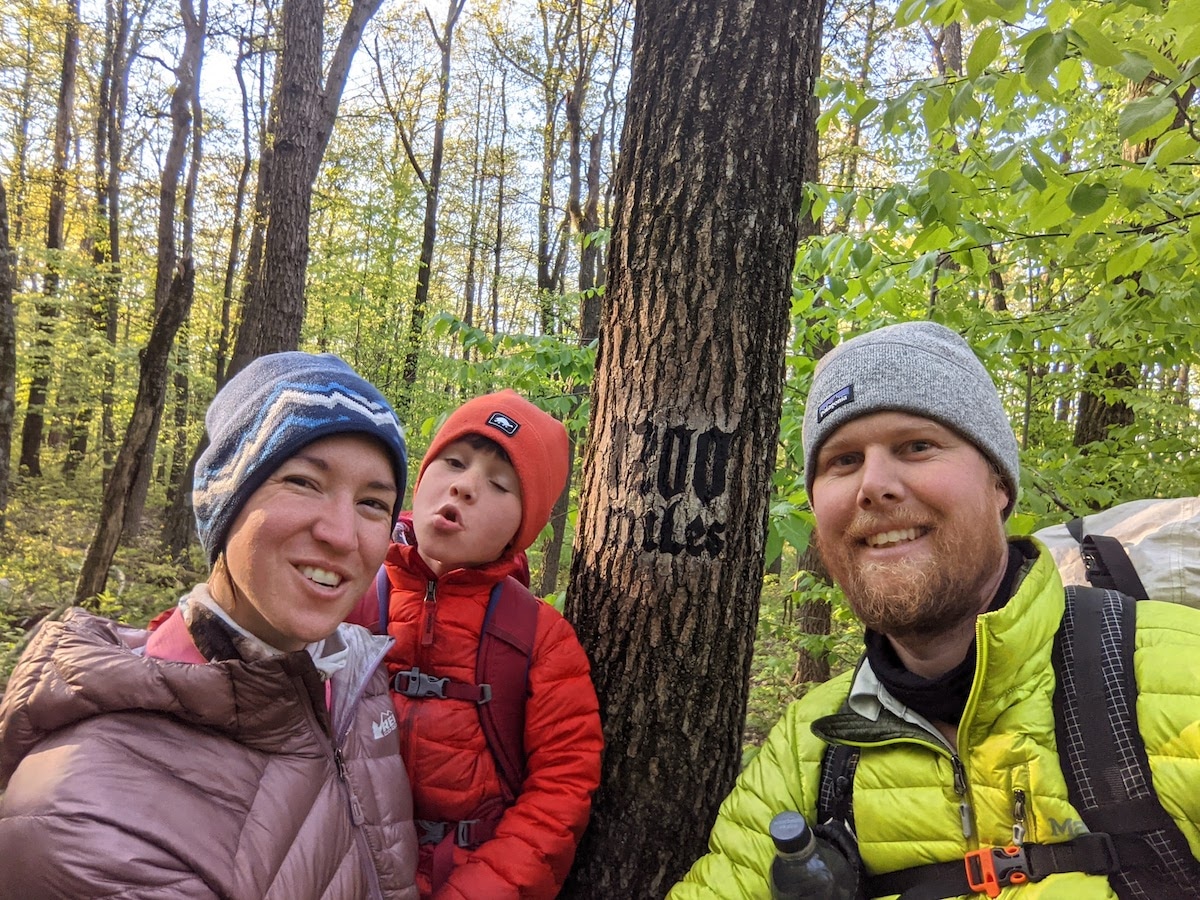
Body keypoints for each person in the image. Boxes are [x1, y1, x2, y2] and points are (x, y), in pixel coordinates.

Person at [670, 320, 1200, 898]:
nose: (873, 485)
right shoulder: (811, 751)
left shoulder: (1178, 673)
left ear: (999, 482)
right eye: (843, 461)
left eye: (917, 446)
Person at [0, 352, 420, 900]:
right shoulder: (90, 826)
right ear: (226, 502)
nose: (343, 535)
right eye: (302, 481)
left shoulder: (353, 681)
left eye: (372, 503)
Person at [346, 389, 603, 899]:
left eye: (500, 485)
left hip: (466, 876)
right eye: (454, 463)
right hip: (338, 866)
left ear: (520, 531)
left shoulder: (540, 638)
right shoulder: (346, 587)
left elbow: (562, 789)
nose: (464, 487)